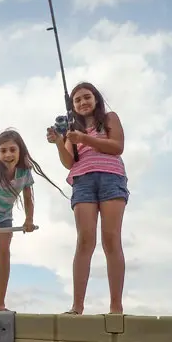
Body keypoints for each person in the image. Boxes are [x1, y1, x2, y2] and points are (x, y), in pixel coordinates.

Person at [0, 128, 65, 313]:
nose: (8, 155)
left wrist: (29, 220)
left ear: (20, 151)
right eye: (3, 151)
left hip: (5, 215)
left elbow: (28, 199)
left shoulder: (24, 173)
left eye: (12, 150)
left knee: (4, 254)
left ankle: (0, 304)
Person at [46, 81, 128, 315]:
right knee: (84, 241)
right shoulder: (73, 130)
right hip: (82, 182)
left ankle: (116, 308)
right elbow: (69, 163)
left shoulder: (110, 118)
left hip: (111, 178)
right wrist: (59, 143)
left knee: (111, 239)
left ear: (96, 99)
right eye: (77, 100)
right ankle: (77, 307)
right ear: (72, 106)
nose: (83, 102)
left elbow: (117, 146)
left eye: (86, 97)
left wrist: (84, 138)